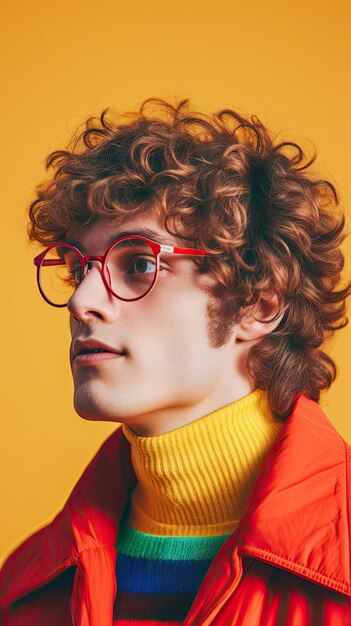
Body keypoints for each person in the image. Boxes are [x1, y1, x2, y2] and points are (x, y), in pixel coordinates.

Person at [1, 99, 350, 626]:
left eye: (139, 263)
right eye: (77, 269)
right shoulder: (26, 586)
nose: (82, 301)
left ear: (259, 303)